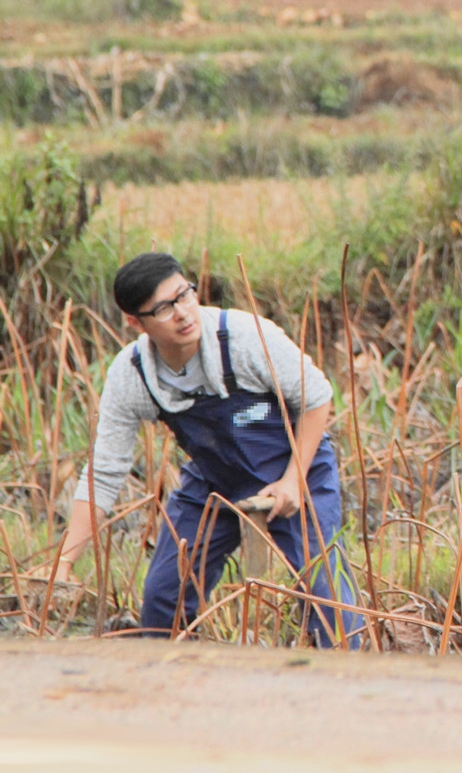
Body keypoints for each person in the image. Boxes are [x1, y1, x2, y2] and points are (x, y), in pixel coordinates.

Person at [56, 252, 363, 647]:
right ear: (136, 322)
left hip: (296, 469)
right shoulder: (131, 375)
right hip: (213, 482)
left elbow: (317, 396)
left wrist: (292, 481)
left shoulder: (245, 338)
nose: (183, 313)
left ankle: (345, 690)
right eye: (164, 309)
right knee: (163, 600)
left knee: (327, 599)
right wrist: (64, 562)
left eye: (184, 295)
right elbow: (104, 472)